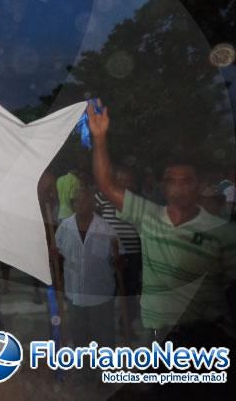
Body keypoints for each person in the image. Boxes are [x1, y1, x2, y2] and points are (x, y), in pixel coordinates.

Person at [88, 100, 236, 397]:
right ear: (163, 186)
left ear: (198, 185)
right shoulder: (148, 215)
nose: (179, 188)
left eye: (186, 181)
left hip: (207, 341)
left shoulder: (222, 233)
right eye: (172, 181)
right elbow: (105, 184)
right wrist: (100, 138)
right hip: (160, 341)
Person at [55, 187, 119, 347]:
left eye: (84, 200)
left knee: (104, 341)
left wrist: (118, 259)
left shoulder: (106, 229)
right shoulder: (65, 228)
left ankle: (104, 371)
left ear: (92, 203)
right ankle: (83, 372)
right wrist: (53, 255)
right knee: (79, 341)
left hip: (100, 296)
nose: (80, 204)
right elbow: (56, 253)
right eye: (76, 200)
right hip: (75, 295)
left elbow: (118, 260)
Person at [94, 166, 142, 339]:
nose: (123, 183)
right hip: (109, 251)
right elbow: (92, 214)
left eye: (127, 180)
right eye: (120, 179)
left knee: (129, 291)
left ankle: (126, 326)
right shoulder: (102, 196)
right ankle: (104, 327)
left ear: (132, 183)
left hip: (132, 251)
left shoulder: (137, 200)